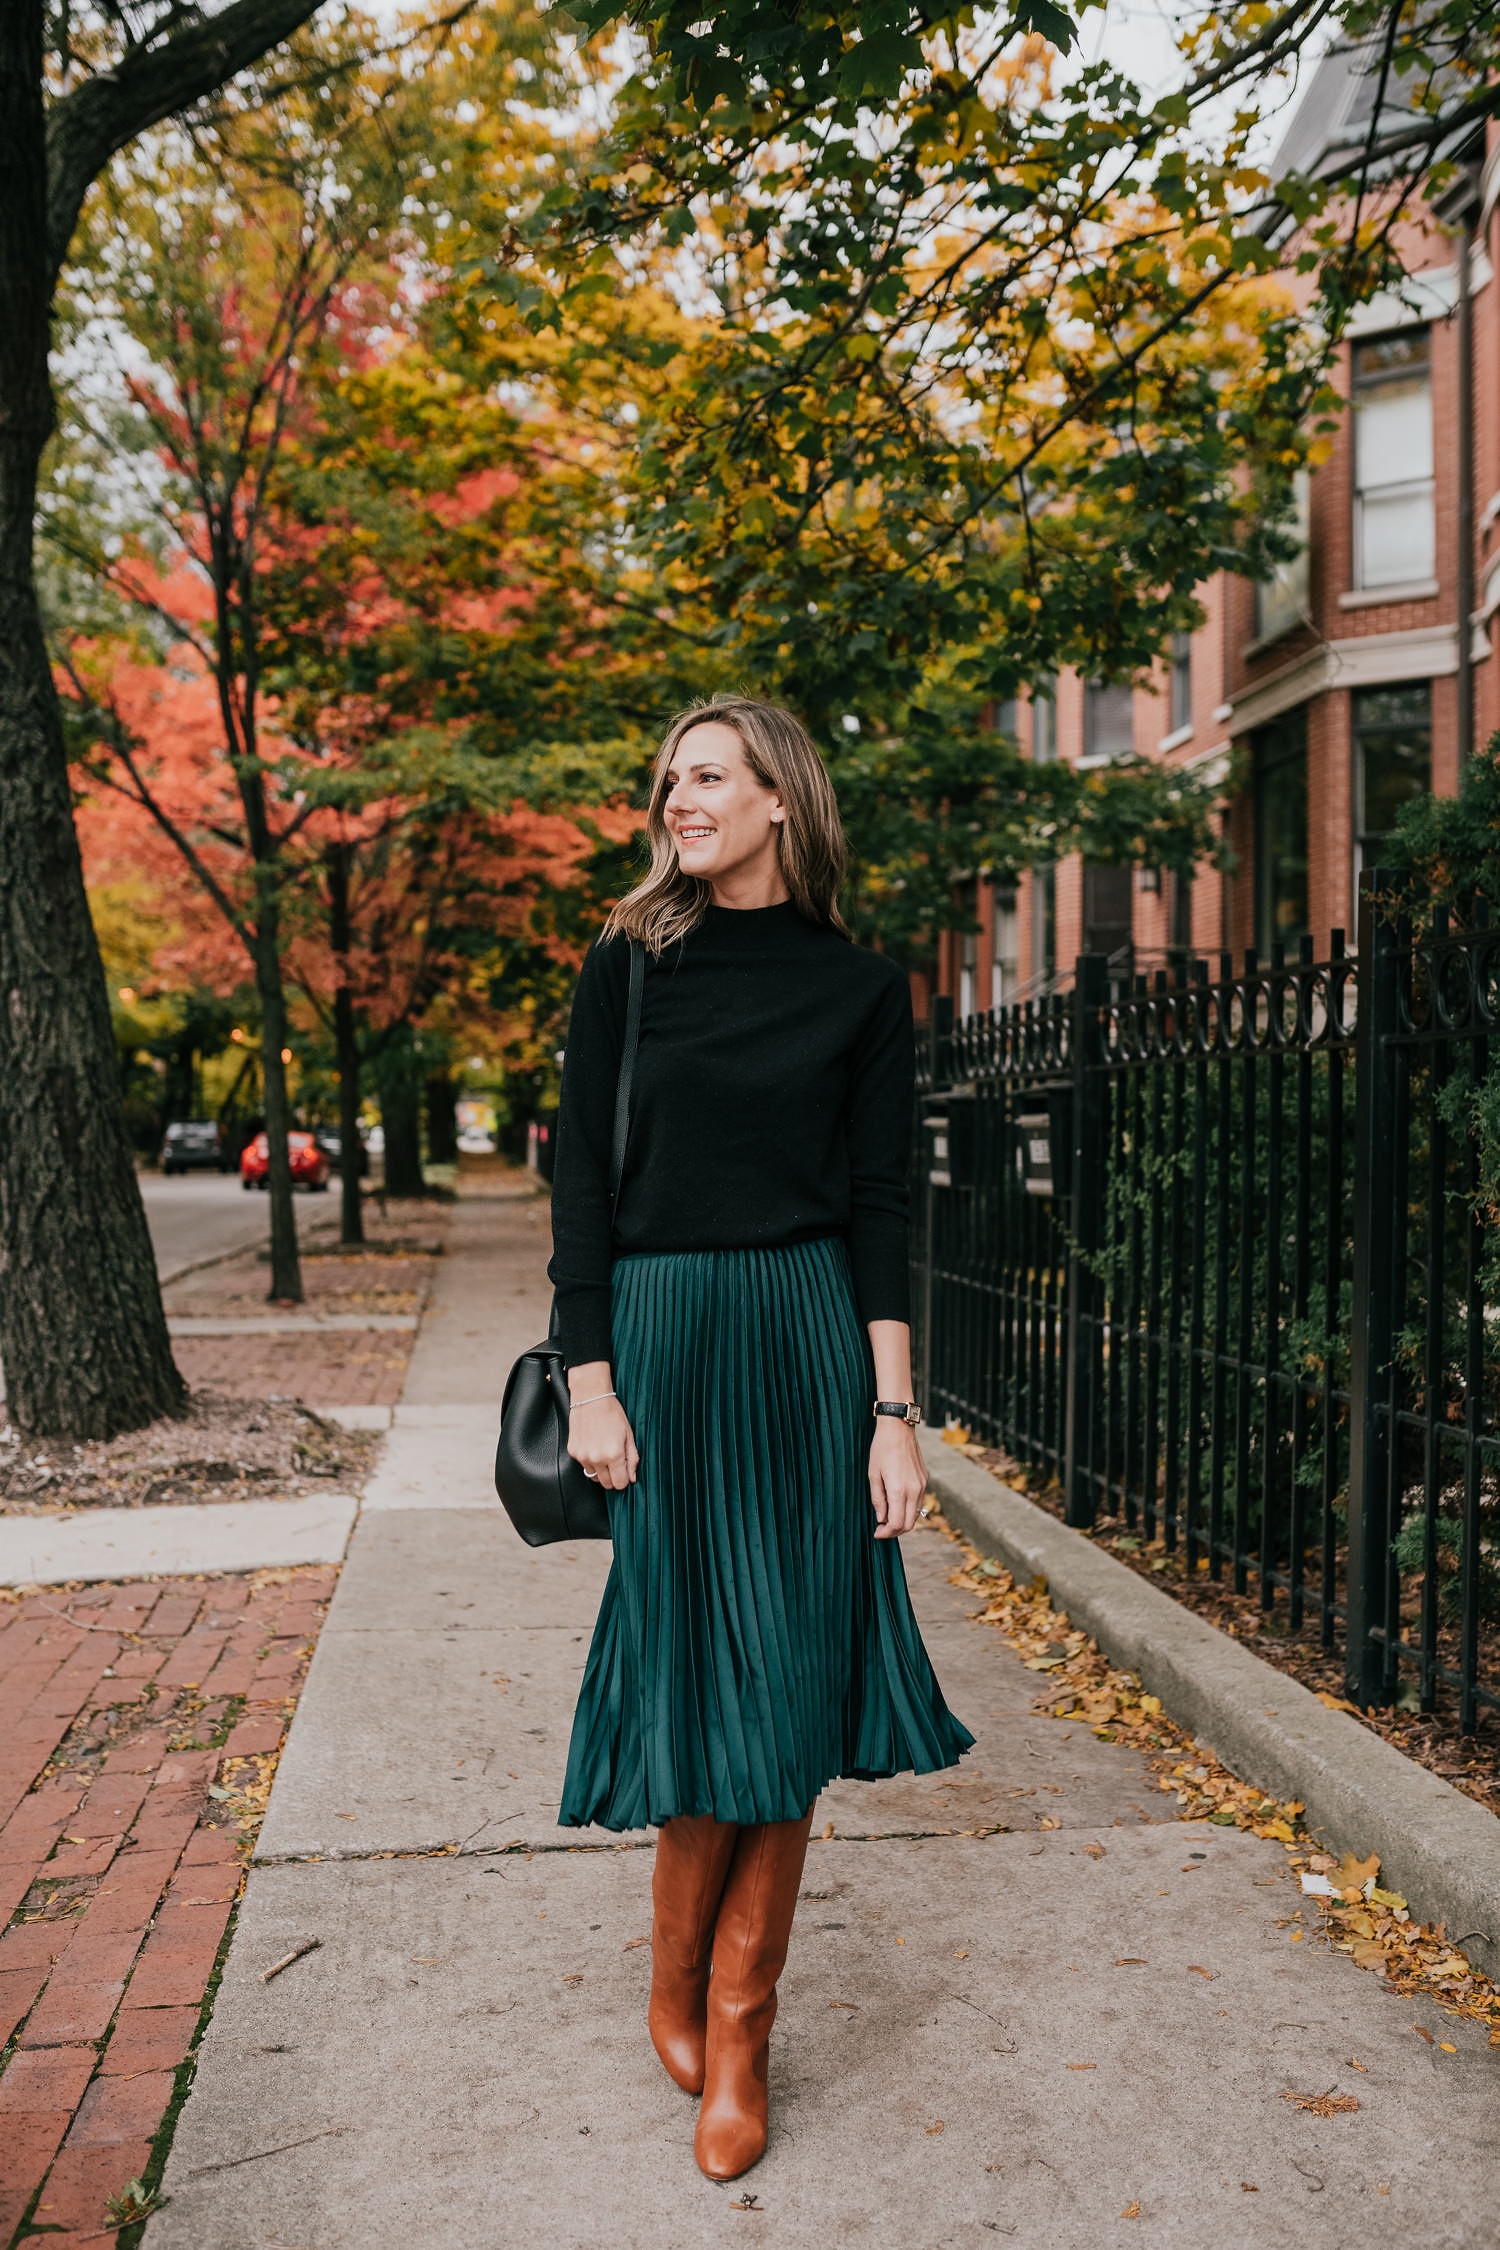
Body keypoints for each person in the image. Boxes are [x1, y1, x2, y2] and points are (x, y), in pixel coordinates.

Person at [548, 694, 974, 2182]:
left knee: (788, 1680)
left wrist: (893, 1411)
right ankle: (670, 1978)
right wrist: (588, 1375)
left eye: (708, 774)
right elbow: (582, 1196)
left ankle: (742, 2022)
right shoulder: (629, 963)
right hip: (661, 1346)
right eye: (669, 776)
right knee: (686, 1670)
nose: (680, 796)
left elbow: (879, 1206)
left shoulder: (862, 988)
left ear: (780, 797)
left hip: (802, 1347)